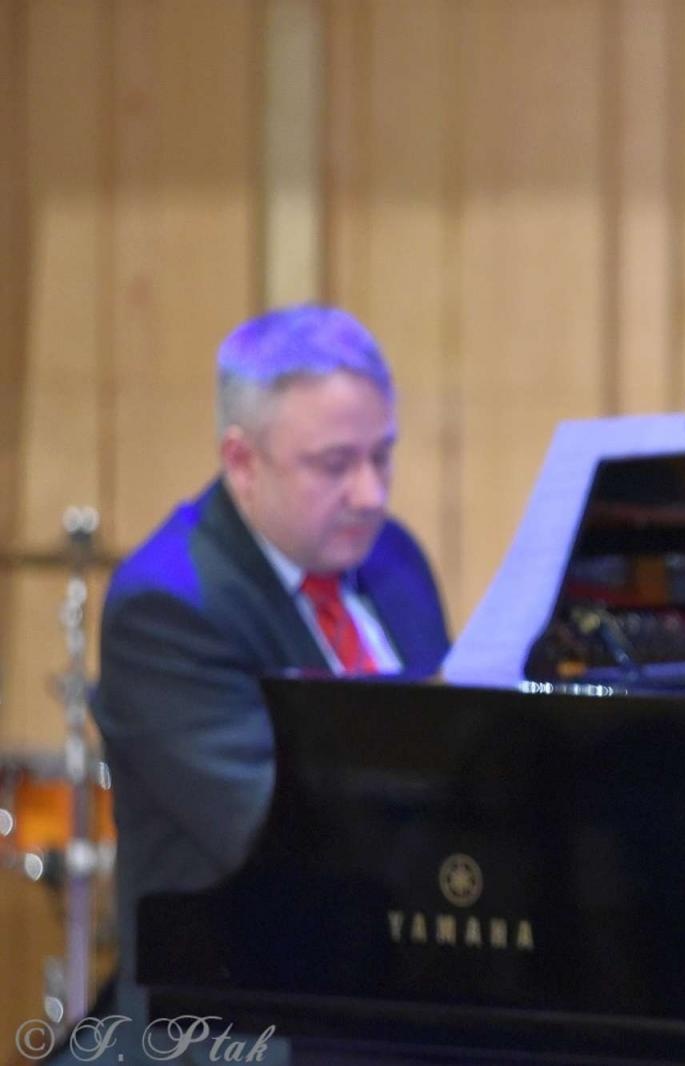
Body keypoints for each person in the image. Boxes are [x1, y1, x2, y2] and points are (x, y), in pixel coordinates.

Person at [92, 306, 450, 1060]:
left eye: (382, 456)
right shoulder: (168, 606)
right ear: (242, 461)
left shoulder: (396, 564)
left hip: (395, 983)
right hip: (238, 1019)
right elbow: (274, 833)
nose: (370, 493)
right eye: (334, 464)